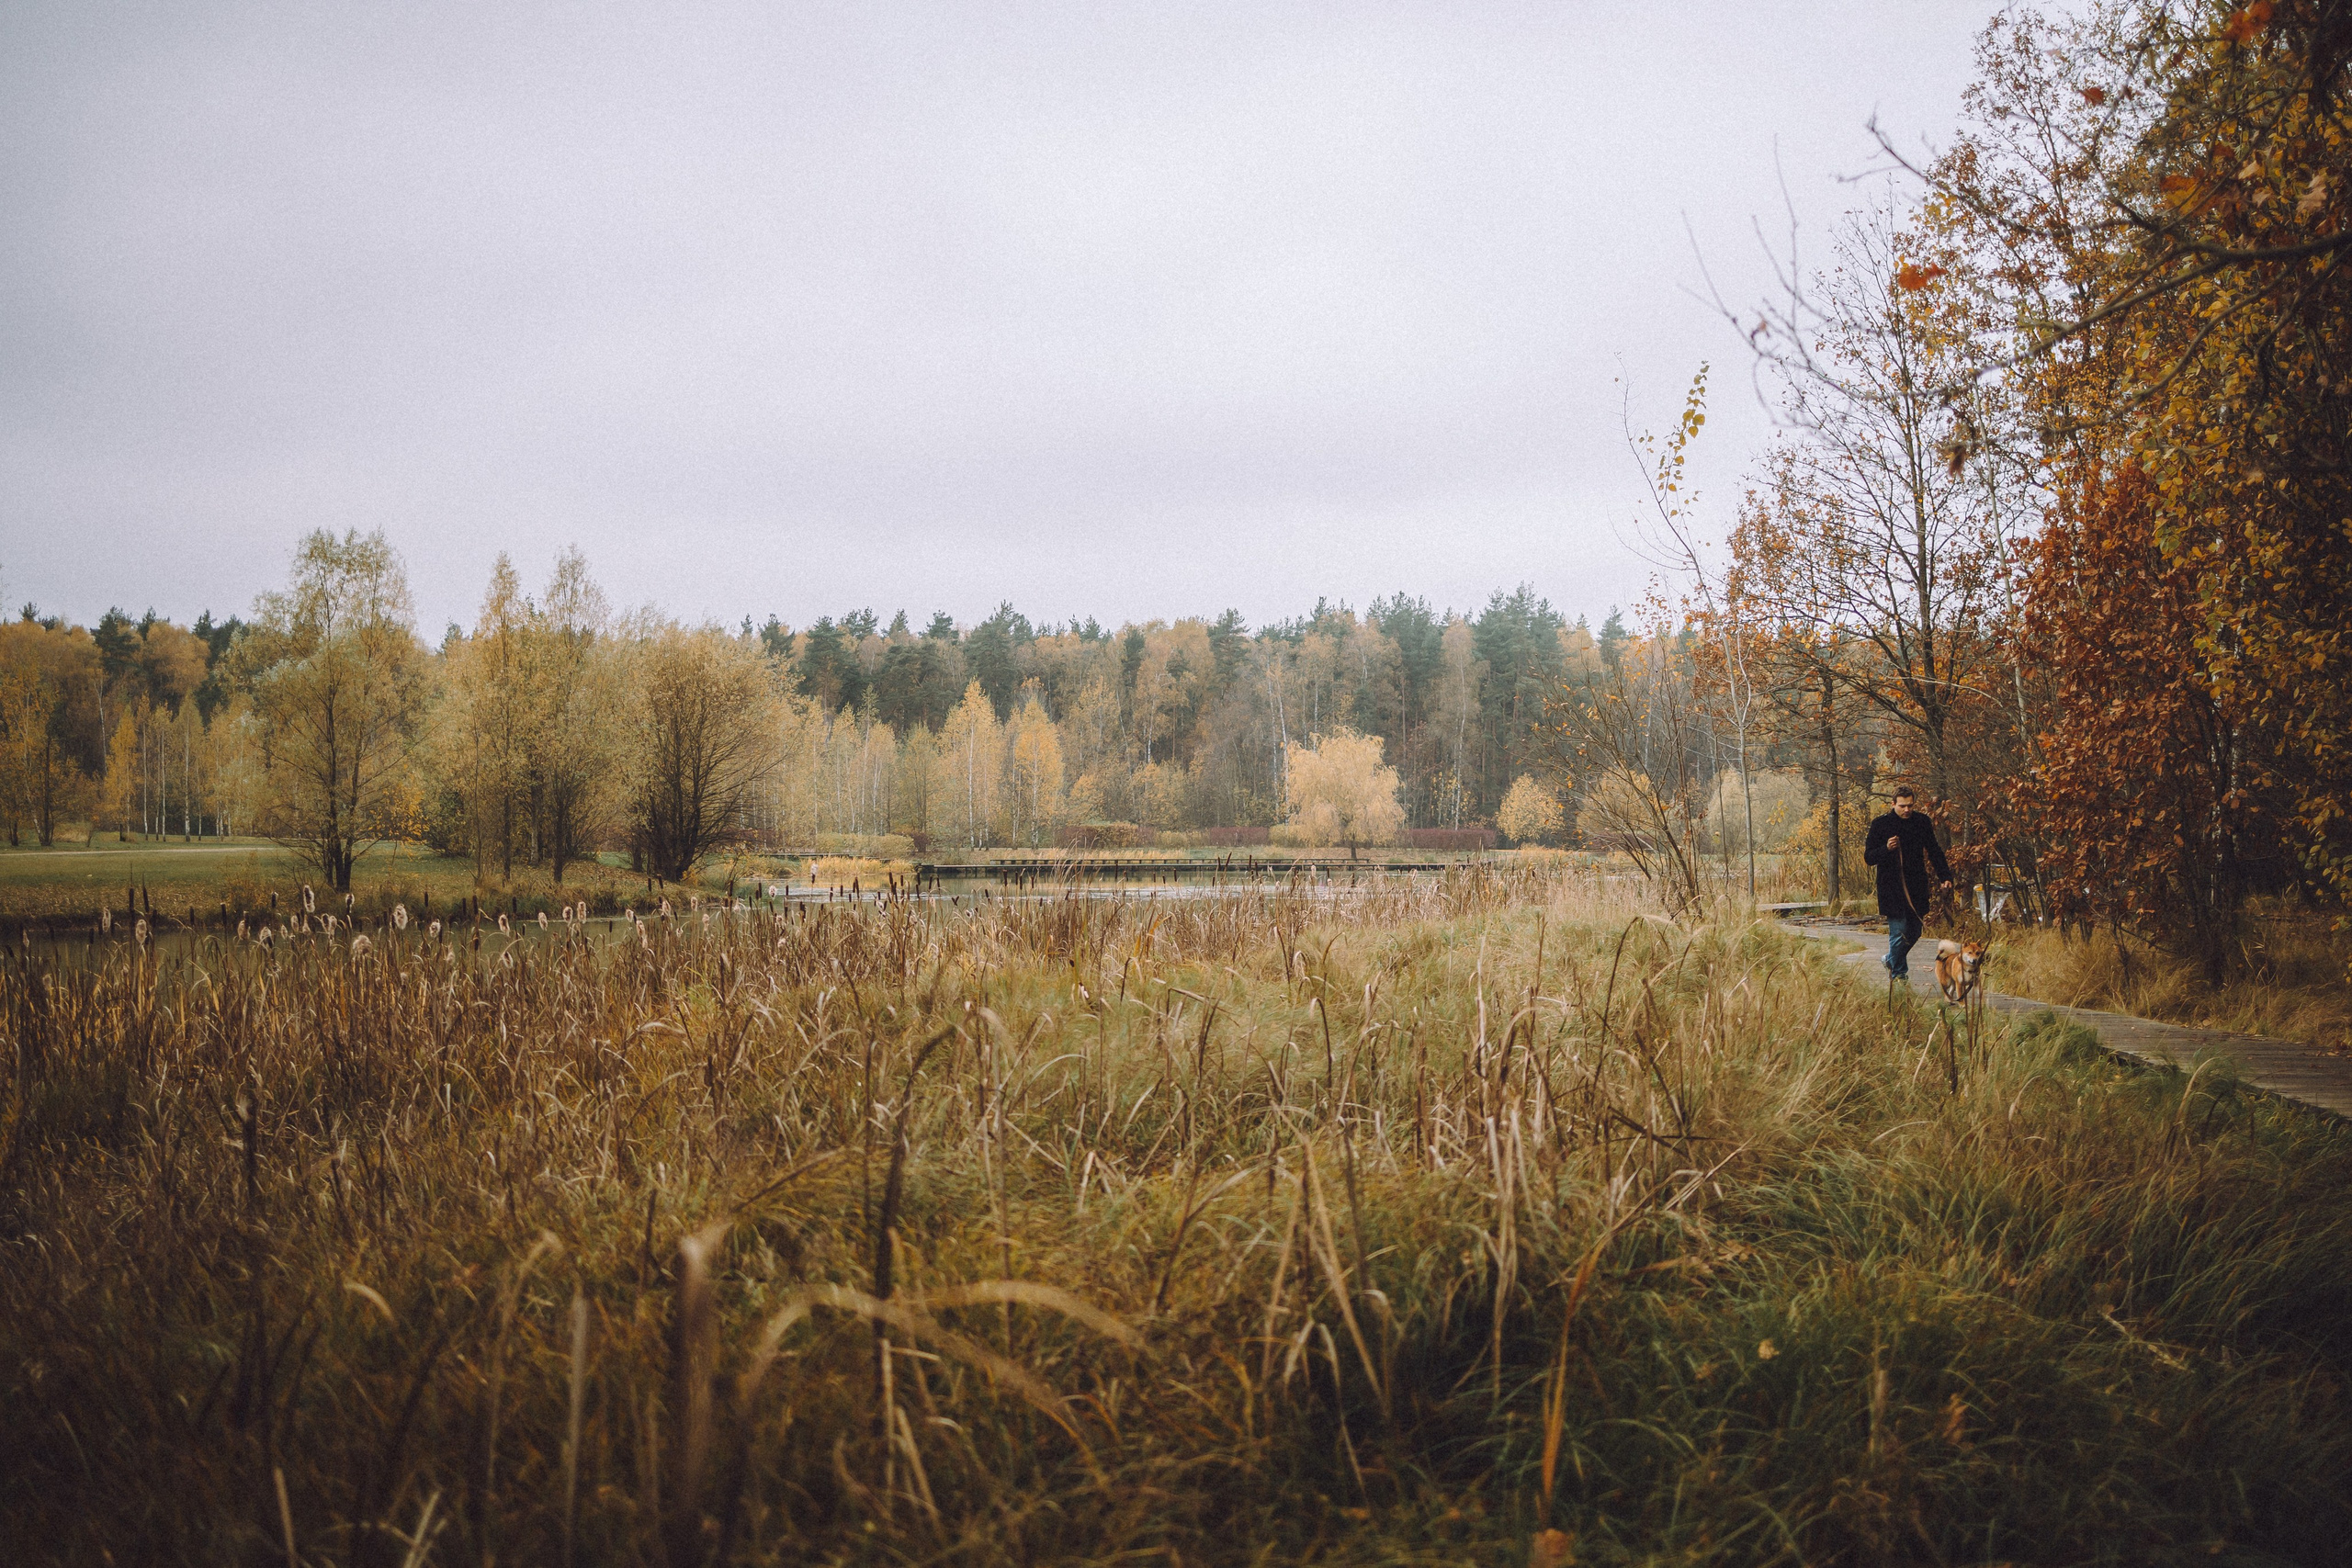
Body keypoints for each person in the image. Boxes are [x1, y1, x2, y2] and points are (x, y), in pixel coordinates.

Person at [1862, 785, 1951, 982]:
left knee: (1915, 930)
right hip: (1891, 887)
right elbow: (1869, 857)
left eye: (1910, 806)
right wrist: (1886, 848)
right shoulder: (1880, 825)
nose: (1907, 810)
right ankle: (1899, 976)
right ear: (1893, 804)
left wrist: (1945, 876)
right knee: (1898, 931)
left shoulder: (1921, 822)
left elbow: (1934, 850)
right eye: (1902, 806)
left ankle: (1890, 959)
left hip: (1916, 886)